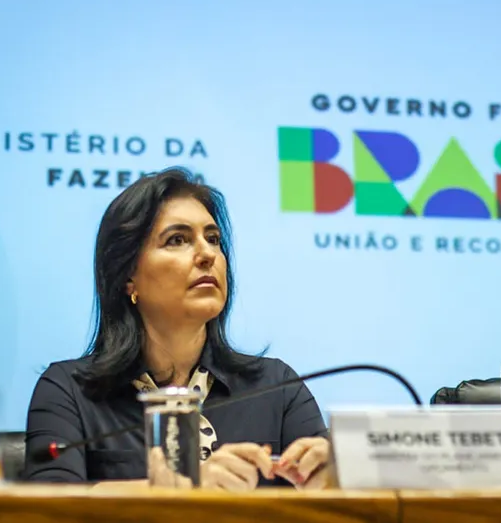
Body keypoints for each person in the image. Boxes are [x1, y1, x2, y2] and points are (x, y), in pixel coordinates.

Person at [24, 168, 332, 490]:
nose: (207, 254)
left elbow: (334, 499)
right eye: (178, 240)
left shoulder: (277, 387)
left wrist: (332, 481)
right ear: (128, 276)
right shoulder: (70, 391)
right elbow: (50, 504)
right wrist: (181, 488)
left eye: (213, 239)